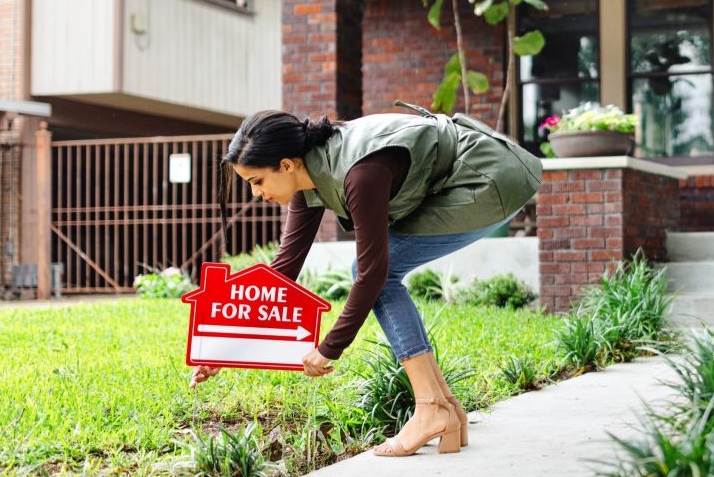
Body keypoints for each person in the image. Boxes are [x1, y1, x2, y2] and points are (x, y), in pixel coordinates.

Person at [189, 103, 543, 457]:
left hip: (489, 178)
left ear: (285, 165)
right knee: (378, 272)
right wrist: (225, 348)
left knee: (377, 274)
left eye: (257, 181)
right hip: (471, 175)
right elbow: (283, 271)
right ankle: (445, 407)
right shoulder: (308, 175)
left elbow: (372, 275)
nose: (256, 194)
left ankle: (433, 407)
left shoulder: (360, 174)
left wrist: (330, 347)